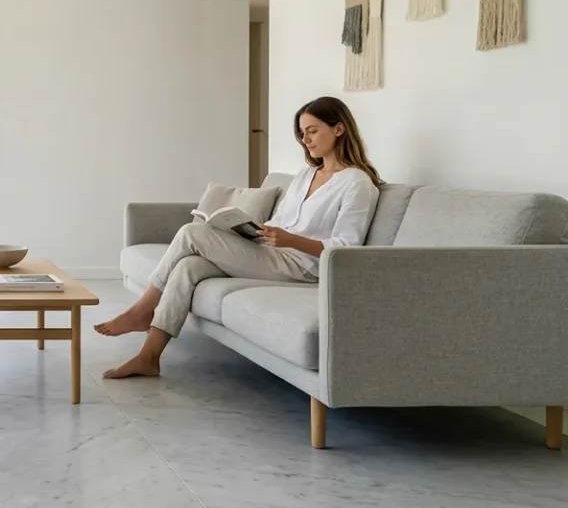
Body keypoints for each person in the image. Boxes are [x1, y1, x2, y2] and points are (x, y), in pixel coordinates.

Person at [95, 96, 383, 379]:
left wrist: (291, 241)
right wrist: (254, 231)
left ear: (339, 129)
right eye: (302, 133)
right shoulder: (307, 175)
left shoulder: (357, 183)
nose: (306, 140)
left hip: (303, 267)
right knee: (188, 267)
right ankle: (149, 357)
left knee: (191, 232)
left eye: (312, 131)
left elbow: (346, 248)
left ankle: (142, 311)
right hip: (273, 253)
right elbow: (281, 222)